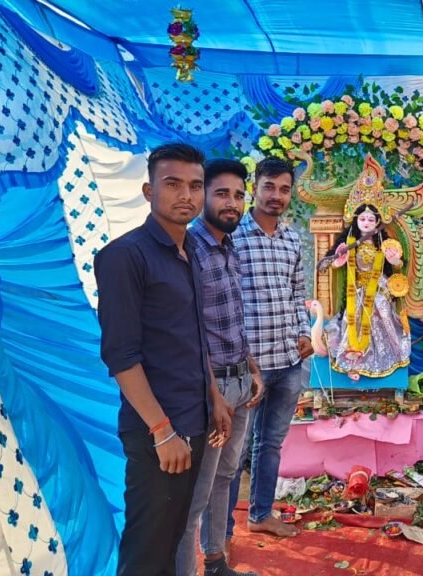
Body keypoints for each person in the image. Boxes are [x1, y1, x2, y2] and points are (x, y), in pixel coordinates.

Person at [95, 142, 231, 575]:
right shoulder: (124, 257)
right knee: (146, 550)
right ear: (149, 191)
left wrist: (215, 397)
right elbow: (120, 356)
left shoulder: (191, 252)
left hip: (194, 419)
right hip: (158, 431)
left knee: (172, 540)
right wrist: (160, 430)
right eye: (173, 184)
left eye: (195, 185)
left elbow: (194, 334)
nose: (186, 195)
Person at [176, 159, 264, 576]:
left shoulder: (229, 247)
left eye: (239, 195)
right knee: (195, 494)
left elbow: (232, 320)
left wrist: (252, 369)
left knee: (226, 475)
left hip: (240, 381)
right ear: (202, 197)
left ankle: (215, 561)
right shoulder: (190, 250)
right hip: (212, 391)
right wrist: (214, 395)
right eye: (222, 194)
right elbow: (190, 330)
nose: (232, 203)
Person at [232, 157, 313, 538]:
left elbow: (298, 293)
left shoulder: (292, 239)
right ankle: (221, 534)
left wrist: (303, 333)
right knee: (234, 453)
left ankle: (261, 515)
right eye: (269, 187)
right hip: (248, 366)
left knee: (271, 445)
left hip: (288, 361)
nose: (276, 196)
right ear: (254, 188)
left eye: (284, 189)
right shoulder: (232, 236)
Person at [318, 202, 411, 379]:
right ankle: (354, 361)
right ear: (356, 221)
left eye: (370, 219)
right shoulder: (350, 243)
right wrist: (337, 260)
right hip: (357, 287)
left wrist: (394, 260)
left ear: (377, 222)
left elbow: (398, 265)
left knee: (382, 313)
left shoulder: (383, 243)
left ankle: (383, 357)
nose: (366, 223)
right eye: (362, 219)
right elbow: (332, 263)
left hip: (378, 287)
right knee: (353, 318)